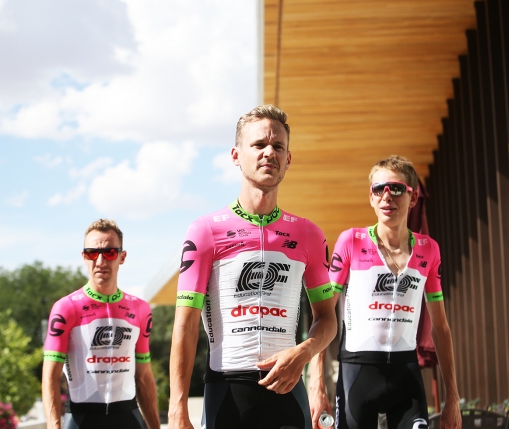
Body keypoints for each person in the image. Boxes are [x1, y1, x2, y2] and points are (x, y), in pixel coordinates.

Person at [168, 104, 337, 429]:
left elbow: (327, 318)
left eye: (278, 146)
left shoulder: (309, 234)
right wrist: (178, 408)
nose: (268, 153)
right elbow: (185, 326)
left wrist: (303, 353)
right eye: (259, 145)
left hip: (288, 394)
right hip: (227, 395)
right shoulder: (205, 230)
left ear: (288, 159)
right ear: (236, 155)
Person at [308, 156, 461, 429]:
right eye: (379, 189)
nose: (387, 196)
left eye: (396, 188)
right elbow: (324, 315)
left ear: (413, 198)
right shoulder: (351, 241)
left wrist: (453, 397)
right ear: (371, 197)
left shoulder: (429, 249)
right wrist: (316, 382)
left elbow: (441, 328)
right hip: (357, 374)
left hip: (406, 374)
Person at [42, 219, 160, 429]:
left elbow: (144, 378)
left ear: (122, 257)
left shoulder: (140, 309)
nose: (100, 261)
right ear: (84, 257)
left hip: (128, 418)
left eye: (109, 253)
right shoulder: (66, 308)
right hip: (82, 419)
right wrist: (53, 426)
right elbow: (50, 377)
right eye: (92, 253)